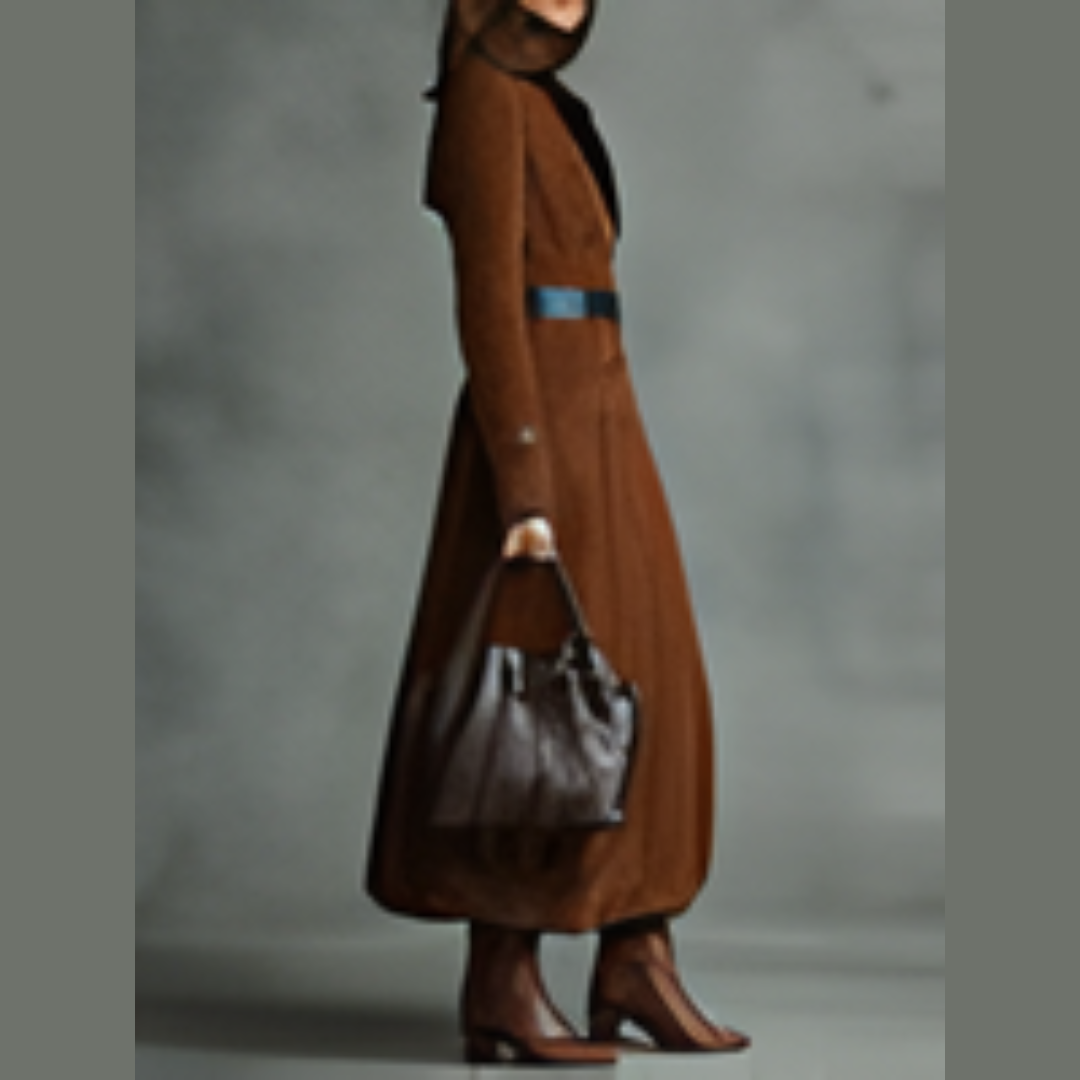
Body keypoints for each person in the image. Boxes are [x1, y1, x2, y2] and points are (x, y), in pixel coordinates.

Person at [366, 0, 750, 1065]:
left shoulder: (548, 99)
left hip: (605, 417)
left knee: (649, 689)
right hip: (542, 435)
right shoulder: (489, 93)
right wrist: (526, 484)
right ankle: (502, 980)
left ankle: (637, 957)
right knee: (539, 703)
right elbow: (488, 301)